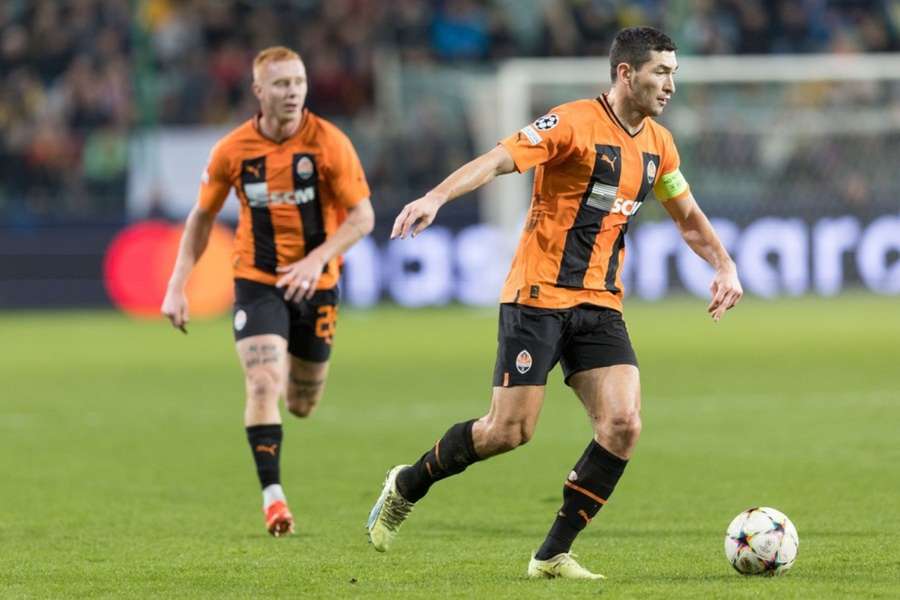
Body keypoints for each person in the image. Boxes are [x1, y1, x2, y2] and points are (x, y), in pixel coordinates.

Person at [366, 27, 742, 578]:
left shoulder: (660, 145)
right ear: (625, 73)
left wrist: (724, 264)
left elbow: (686, 217)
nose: (670, 85)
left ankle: (552, 555)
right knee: (508, 432)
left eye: (674, 73)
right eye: (660, 72)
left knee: (623, 424)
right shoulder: (570, 123)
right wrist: (436, 196)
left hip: (600, 304)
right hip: (537, 295)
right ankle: (407, 483)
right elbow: (497, 160)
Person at [161, 46, 374, 537]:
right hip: (257, 282)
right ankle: (273, 499)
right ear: (259, 92)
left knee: (301, 404)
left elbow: (364, 216)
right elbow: (202, 217)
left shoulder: (330, 143)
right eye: (280, 84)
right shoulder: (232, 151)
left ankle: (282, 378)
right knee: (260, 383)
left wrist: (317, 258)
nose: (292, 91)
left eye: (298, 81)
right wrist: (177, 285)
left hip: (317, 285)